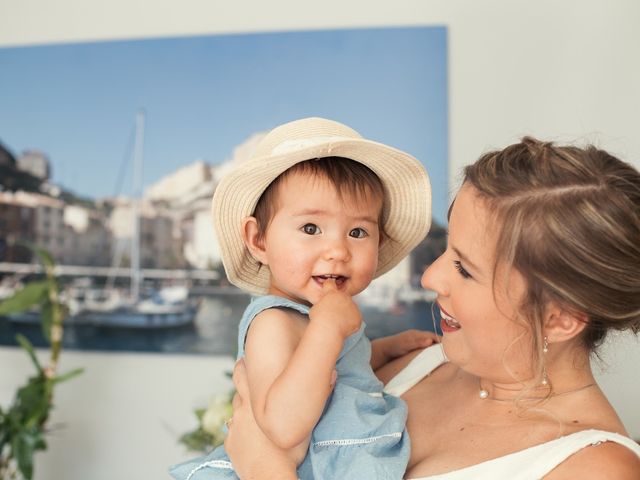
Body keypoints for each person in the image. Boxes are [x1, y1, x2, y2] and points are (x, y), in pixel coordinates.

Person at [224, 136, 640, 479]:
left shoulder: (594, 469)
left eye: (464, 269)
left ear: (560, 317)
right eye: (447, 251)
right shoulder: (416, 360)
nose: (430, 278)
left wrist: (265, 466)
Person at [170, 117, 439, 480]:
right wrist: (328, 327)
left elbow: (338, 370)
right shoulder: (273, 322)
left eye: (358, 231)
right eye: (311, 228)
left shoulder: (314, 316)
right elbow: (283, 426)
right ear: (258, 240)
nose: (338, 250)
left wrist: (386, 349)